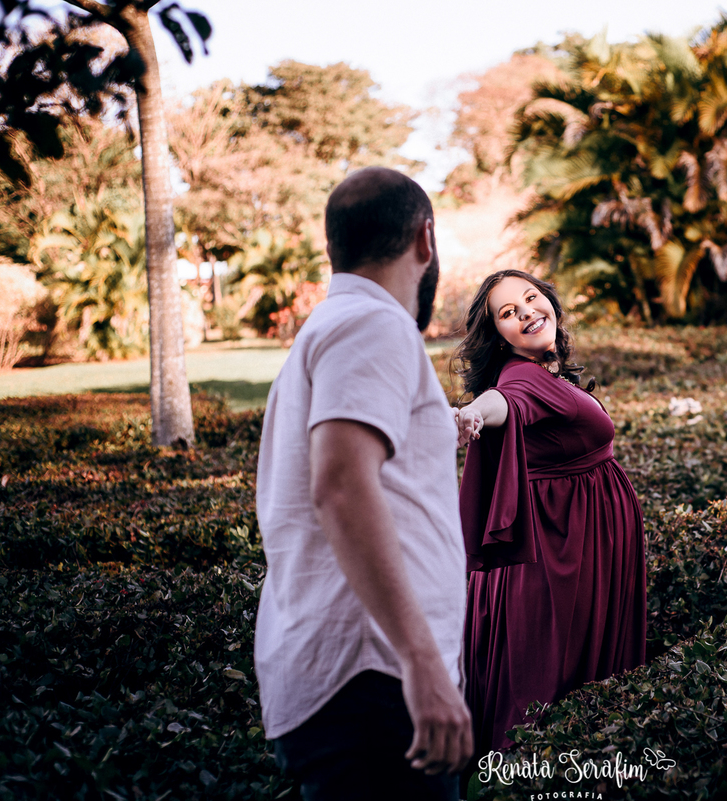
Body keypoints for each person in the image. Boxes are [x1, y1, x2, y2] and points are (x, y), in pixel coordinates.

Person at [254, 167, 472, 800]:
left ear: (333, 248)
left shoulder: (330, 327)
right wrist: (423, 662)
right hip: (375, 681)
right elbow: (342, 487)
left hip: (363, 680)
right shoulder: (373, 324)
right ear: (424, 240)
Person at [453, 269, 647, 757]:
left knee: (577, 685)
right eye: (507, 313)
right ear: (498, 335)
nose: (526, 313)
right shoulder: (520, 379)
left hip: (579, 544)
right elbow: (506, 403)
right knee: (545, 689)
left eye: (531, 298)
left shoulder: (545, 371)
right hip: (557, 558)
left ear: (550, 302)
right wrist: (476, 412)